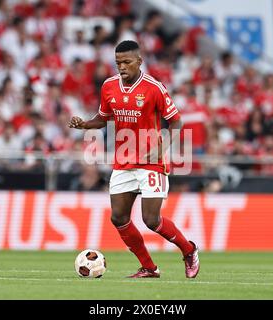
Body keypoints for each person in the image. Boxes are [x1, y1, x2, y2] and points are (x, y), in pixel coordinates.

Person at [68, 40, 200, 278]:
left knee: (151, 220)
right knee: (118, 217)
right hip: (124, 161)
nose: (122, 67)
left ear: (139, 61)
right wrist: (85, 124)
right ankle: (149, 267)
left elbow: (176, 121)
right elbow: (104, 116)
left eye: (127, 62)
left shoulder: (154, 87)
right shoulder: (109, 86)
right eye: (118, 62)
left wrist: (164, 147)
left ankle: (189, 250)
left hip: (151, 161)